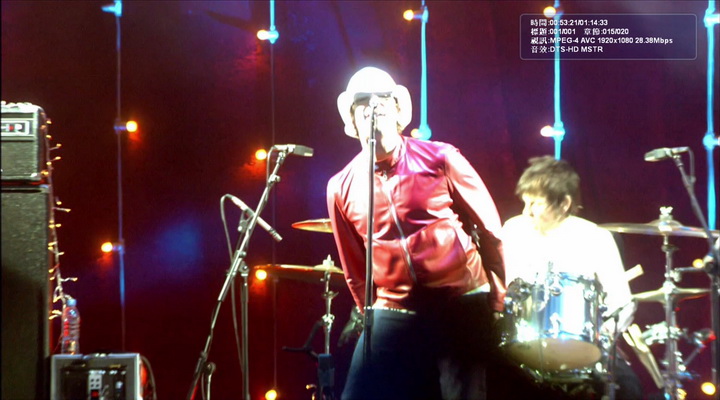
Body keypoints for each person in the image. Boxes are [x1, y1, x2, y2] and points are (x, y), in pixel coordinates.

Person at [326, 66, 506, 400]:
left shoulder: (440, 157)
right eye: (362, 101)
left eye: (383, 98)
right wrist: (368, 312)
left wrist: (497, 296)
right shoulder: (340, 186)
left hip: (459, 298)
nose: (373, 105)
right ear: (352, 118)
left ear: (398, 111)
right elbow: (353, 266)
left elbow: (490, 228)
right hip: (393, 307)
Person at [499, 156, 642, 400]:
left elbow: (623, 302)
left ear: (564, 203)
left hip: (584, 346)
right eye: (525, 202)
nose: (526, 211)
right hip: (523, 342)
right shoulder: (514, 230)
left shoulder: (595, 237)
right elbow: (505, 289)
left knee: (629, 388)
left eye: (535, 203)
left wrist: (601, 338)